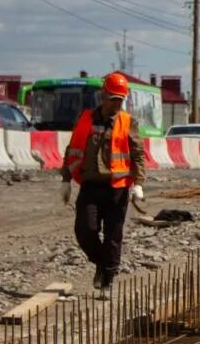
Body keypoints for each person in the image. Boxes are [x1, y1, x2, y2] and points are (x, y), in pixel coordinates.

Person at [61, 71, 145, 299]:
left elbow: (138, 155)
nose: (117, 104)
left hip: (117, 188)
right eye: (114, 99)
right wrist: (65, 180)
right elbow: (73, 150)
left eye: (121, 99)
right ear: (103, 97)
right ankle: (101, 263)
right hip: (90, 185)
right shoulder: (86, 119)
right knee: (85, 231)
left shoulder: (128, 122)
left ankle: (107, 280)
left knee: (113, 236)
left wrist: (138, 184)